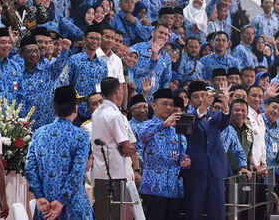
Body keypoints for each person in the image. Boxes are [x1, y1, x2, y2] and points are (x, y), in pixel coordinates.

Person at [25, 85, 93, 219]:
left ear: (54, 107)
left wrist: (39, 196)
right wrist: (62, 200)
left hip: (45, 207)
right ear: (75, 108)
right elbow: (78, 172)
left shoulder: (39, 133)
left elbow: (29, 169)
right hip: (73, 207)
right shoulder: (80, 136)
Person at [138, 87, 191, 219]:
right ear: (154, 105)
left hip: (174, 189)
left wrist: (186, 161)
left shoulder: (177, 130)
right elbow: (143, 136)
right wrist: (163, 125)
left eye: (171, 104)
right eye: (164, 104)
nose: (168, 107)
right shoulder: (147, 125)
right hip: (153, 187)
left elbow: (182, 154)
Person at [182, 80, 231, 219]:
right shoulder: (185, 117)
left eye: (203, 95)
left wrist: (226, 105)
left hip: (216, 170)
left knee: (217, 212)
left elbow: (225, 121)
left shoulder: (215, 116)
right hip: (196, 171)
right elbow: (190, 127)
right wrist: (203, 107)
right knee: (194, 210)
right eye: (196, 96)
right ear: (190, 100)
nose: (200, 99)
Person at [91, 76, 136, 220]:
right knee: (115, 216)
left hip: (99, 173)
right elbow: (125, 147)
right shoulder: (115, 115)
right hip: (114, 175)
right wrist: (131, 148)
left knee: (102, 215)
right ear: (118, 92)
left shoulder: (96, 112)